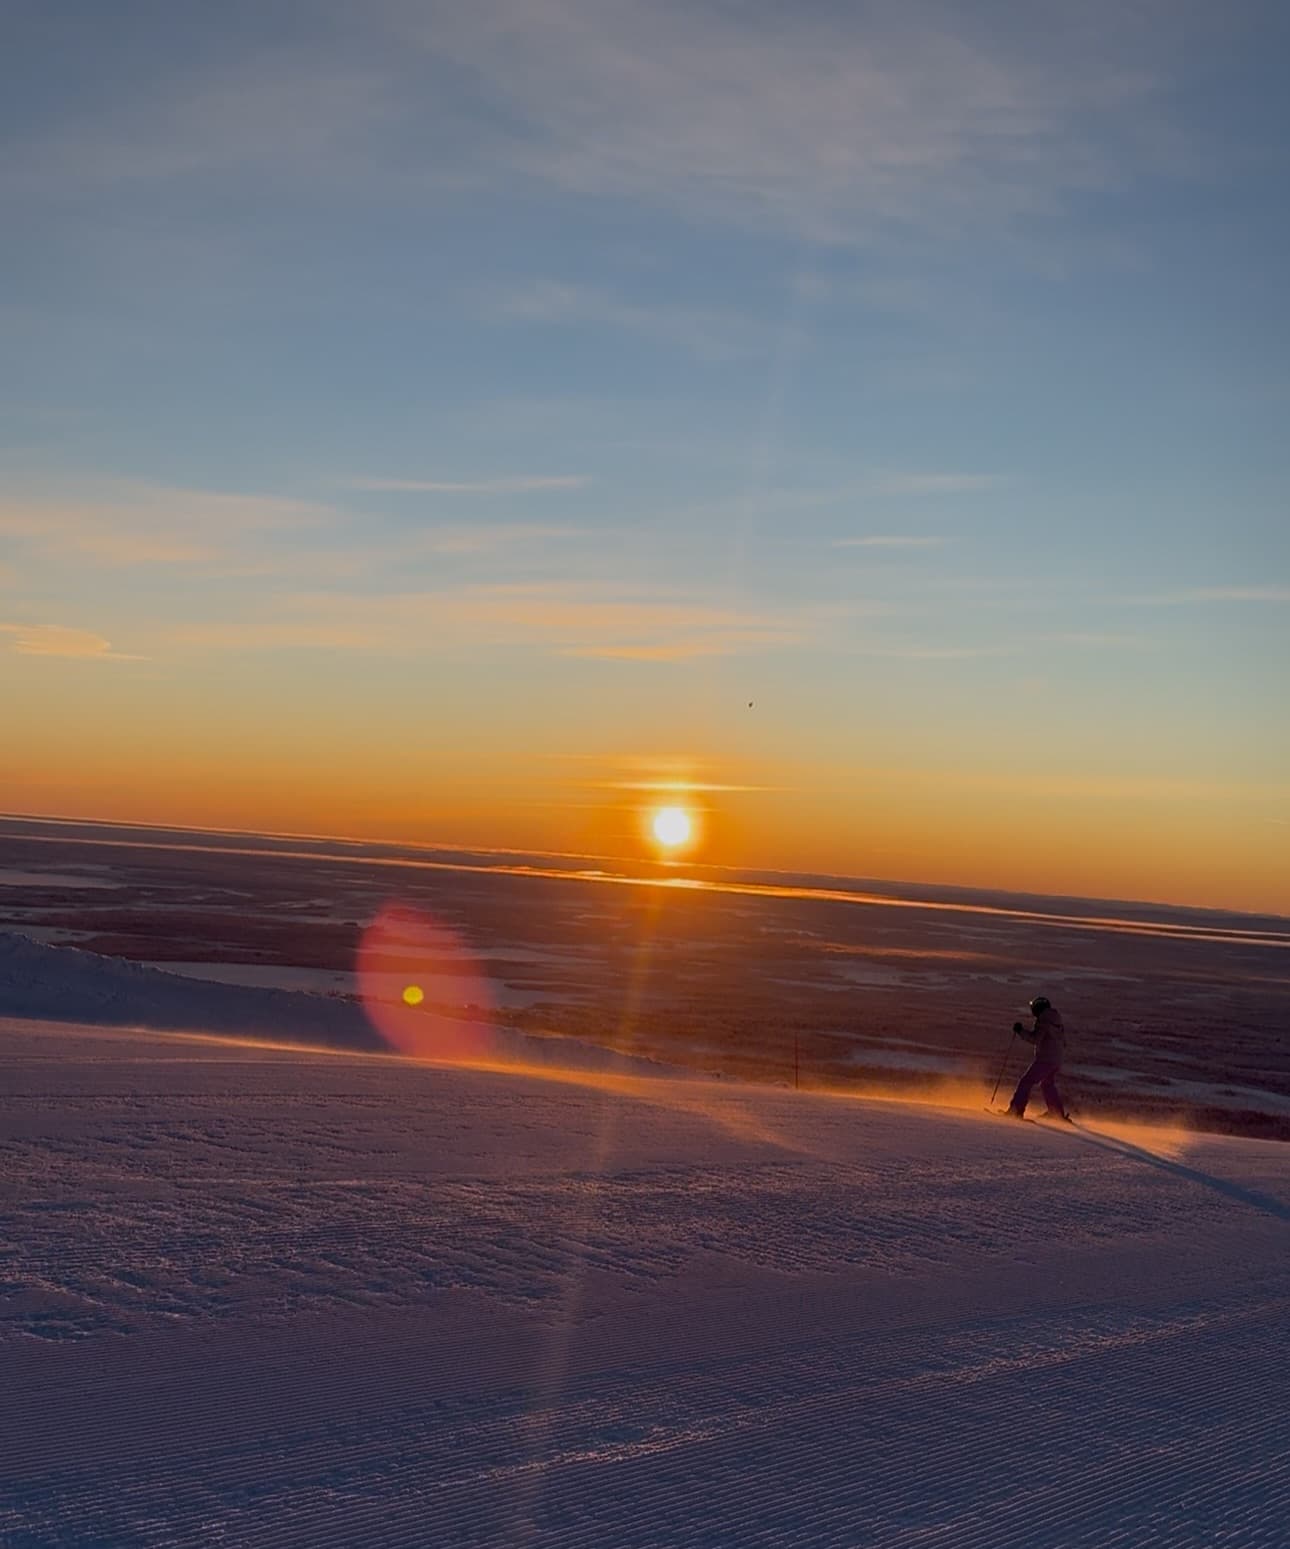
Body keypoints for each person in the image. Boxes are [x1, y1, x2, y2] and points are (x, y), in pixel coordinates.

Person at [1008, 995, 1070, 1120]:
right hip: (1056, 1060)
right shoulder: (1056, 1021)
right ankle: (1056, 1113)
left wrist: (1020, 1031)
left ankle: (1016, 1110)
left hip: (1046, 1060)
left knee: (1026, 1081)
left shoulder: (1044, 1020)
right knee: (1047, 1084)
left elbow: (1035, 1039)